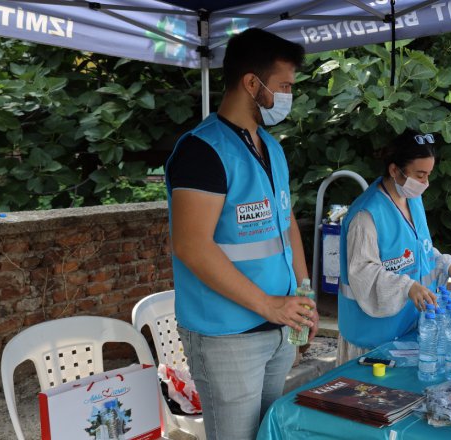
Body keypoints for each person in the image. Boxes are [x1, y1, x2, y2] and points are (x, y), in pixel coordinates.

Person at [164, 28, 317, 439]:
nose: (289, 96)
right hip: (227, 334)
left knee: (269, 432)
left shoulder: (271, 147)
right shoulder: (202, 151)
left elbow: (287, 230)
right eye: (284, 86)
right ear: (253, 83)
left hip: (278, 325)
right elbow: (191, 245)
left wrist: (304, 298)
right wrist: (269, 305)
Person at [336, 130, 451, 364]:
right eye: (420, 175)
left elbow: (420, 249)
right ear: (394, 170)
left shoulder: (412, 198)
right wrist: (407, 287)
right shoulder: (365, 217)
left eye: (428, 174)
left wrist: (446, 265)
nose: (425, 183)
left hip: (408, 329)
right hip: (371, 339)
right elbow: (363, 273)